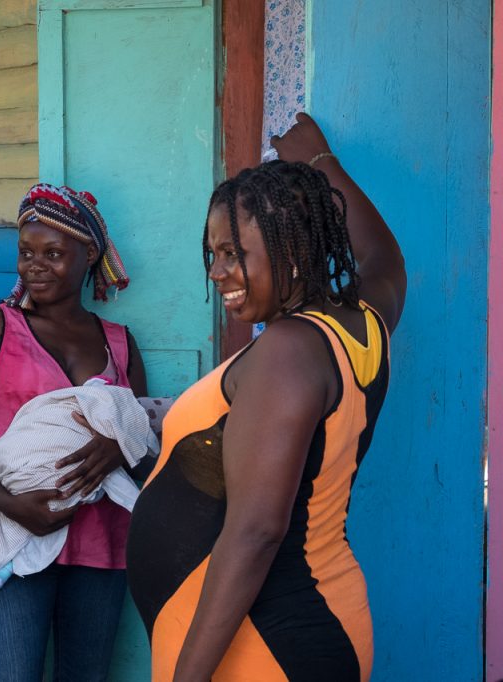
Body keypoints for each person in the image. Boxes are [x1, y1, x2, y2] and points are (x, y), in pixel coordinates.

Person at [126, 113, 407, 681]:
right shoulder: (358, 326)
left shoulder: (287, 351)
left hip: (264, 642)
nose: (219, 272)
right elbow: (386, 263)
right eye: (214, 254)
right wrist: (322, 164)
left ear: (290, 247)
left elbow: (256, 532)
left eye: (235, 253)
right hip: (307, 619)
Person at [0, 183, 149, 681]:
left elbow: (142, 435)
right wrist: (17, 509)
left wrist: (120, 448)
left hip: (102, 542)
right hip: (14, 533)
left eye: (53, 254)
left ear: (89, 254)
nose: (35, 265)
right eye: (26, 253)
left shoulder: (119, 343)